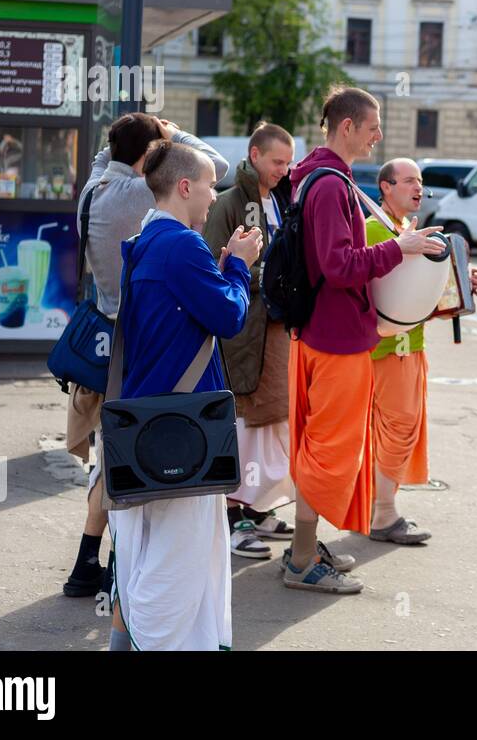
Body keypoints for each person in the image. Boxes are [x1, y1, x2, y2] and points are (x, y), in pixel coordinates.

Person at [283, 86, 443, 594]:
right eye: (372, 126)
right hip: (336, 339)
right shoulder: (331, 185)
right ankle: (304, 560)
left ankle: (304, 550)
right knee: (329, 452)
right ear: (347, 127)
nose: (378, 136)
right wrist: (399, 247)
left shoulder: (313, 174)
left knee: (317, 447)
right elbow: (338, 265)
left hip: (317, 330)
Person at [62, 115, 227, 599]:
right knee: (129, 459)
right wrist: (176, 136)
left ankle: (86, 564)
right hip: (137, 342)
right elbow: (211, 166)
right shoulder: (143, 195)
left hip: (98, 339)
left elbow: (106, 158)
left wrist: (132, 132)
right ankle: (118, 568)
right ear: (153, 160)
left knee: (107, 455)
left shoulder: (92, 192)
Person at [107, 141, 260, 651]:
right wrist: (238, 265)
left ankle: (133, 641)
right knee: (180, 558)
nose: (216, 196)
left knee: (149, 550)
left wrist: (218, 269)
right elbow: (229, 318)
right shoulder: (181, 244)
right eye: (211, 185)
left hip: (151, 420)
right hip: (184, 429)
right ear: (186, 186)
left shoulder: (148, 239)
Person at [364, 158, 477, 545]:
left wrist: (459, 284)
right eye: (409, 181)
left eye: (421, 182)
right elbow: (382, 292)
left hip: (409, 345)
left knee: (397, 429)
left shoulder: (404, 229)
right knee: (397, 427)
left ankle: (380, 507)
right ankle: (382, 513)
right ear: (386, 186)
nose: (418, 188)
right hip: (388, 348)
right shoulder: (372, 228)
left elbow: (421, 296)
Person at [203, 122, 297, 559]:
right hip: (245, 331)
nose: (284, 169)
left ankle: (256, 509)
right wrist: (269, 281)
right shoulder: (230, 202)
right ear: (255, 155)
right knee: (243, 423)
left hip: (271, 331)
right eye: (277, 161)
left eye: (288, 162)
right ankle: (233, 516)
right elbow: (217, 266)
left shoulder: (277, 197)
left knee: (271, 421)